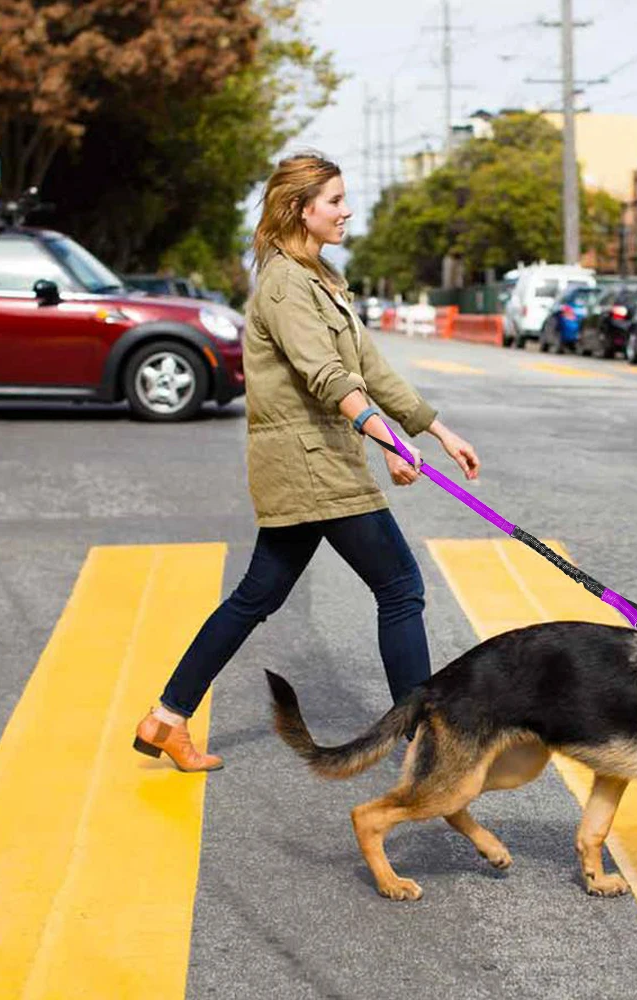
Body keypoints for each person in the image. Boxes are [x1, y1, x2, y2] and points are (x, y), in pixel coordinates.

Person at [133, 152, 480, 772]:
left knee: (254, 596)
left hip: (314, 464)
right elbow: (328, 377)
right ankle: (425, 745)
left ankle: (166, 718)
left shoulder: (318, 275)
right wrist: (387, 442)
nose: (347, 211)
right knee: (400, 588)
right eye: (336, 201)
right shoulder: (286, 285)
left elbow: (369, 367)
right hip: (314, 468)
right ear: (300, 209)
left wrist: (433, 430)